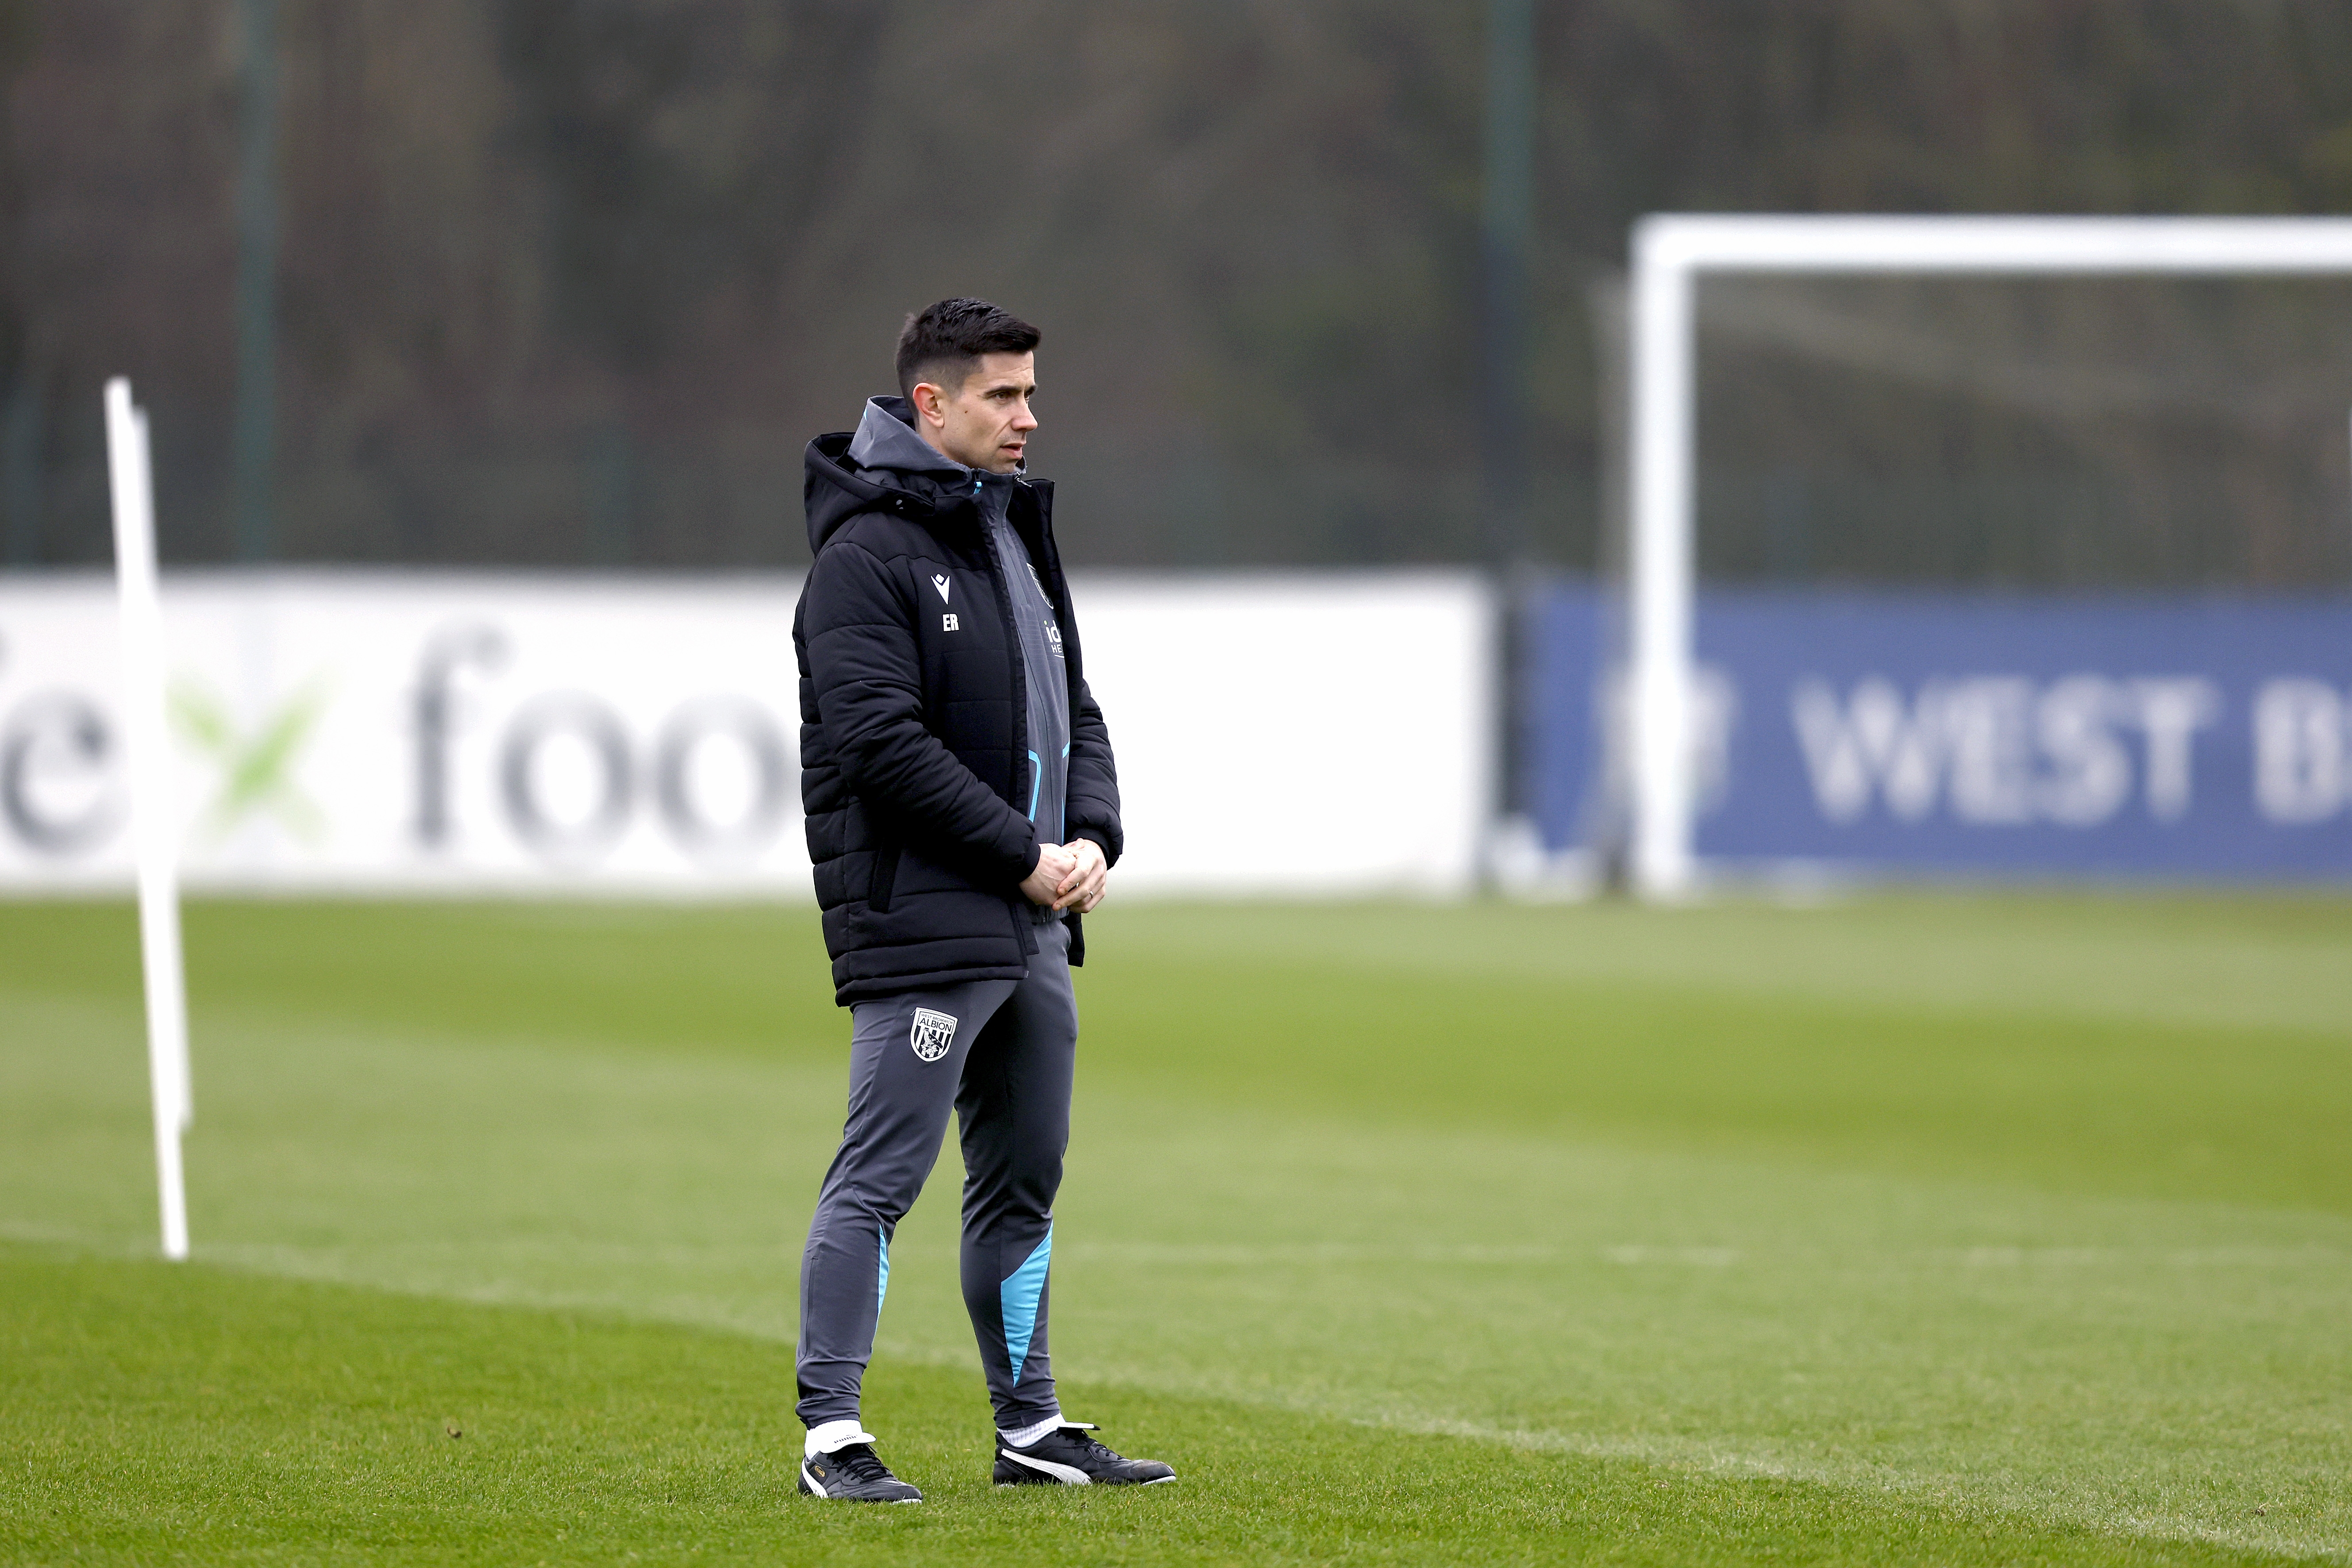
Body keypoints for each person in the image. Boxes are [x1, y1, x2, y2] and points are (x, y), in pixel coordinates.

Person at [788, 299, 1176, 1503]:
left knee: (1023, 1182)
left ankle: (1031, 1428)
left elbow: (1080, 711)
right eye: (1003, 395)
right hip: (926, 925)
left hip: (1028, 924)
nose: (1027, 416)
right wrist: (1020, 851)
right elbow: (878, 745)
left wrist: (1092, 836)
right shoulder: (864, 555)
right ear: (930, 404)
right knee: (879, 1179)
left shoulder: (1007, 536)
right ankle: (831, 1438)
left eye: (1029, 393)